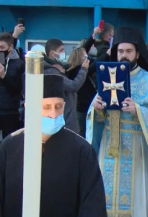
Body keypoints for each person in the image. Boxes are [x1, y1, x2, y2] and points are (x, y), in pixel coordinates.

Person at [86, 26, 148, 216]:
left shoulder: (147, 80)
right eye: (121, 51)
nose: (124, 55)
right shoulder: (107, 74)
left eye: (129, 51)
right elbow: (96, 118)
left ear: (137, 53)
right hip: (109, 149)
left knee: (136, 200)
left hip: (137, 149)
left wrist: (138, 110)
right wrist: (96, 109)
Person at [0, 74, 107, 217]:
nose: (53, 114)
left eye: (58, 107)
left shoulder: (81, 150)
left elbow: (93, 203)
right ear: (29, 106)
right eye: (46, 107)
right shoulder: (10, 146)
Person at [43, 39, 90, 133]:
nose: (63, 53)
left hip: (65, 115)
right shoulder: (52, 72)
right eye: (61, 50)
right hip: (64, 117)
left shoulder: (57, 67)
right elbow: (73, 86)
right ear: (52, 53)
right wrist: (84, 69)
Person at [65, 47, 95, 138]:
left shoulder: (71, 70)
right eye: (85, 56)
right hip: (83, 107)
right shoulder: (79, 70)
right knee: (83, 133)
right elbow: (95, 65)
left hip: (80, 106)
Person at [0, 33, 24, 139]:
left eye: (2, 47)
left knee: (8, 144)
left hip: (10, 112)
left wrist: (3, 76)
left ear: (10, 47)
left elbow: (17, 90)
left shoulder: (19, 64)